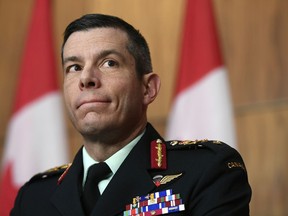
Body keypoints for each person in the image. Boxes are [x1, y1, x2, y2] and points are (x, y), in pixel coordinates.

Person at [11, 14, 251, 216]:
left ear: (148, 88)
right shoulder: (34, 196)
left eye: (109, 63)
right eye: (74, 67)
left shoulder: (207, 171)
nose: (86, 78)